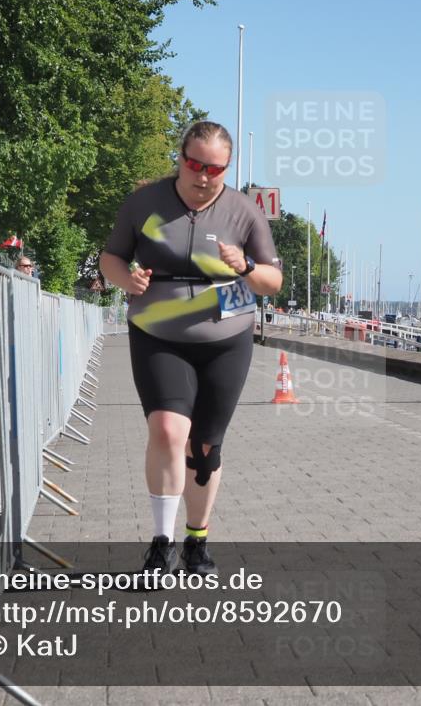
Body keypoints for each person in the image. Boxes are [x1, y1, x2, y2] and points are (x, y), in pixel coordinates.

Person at [100, 121, 282, 580]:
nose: (203, 176)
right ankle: (161, 545)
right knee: (165, 430)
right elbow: (111, 257)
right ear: (179, 157)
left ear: (228, 168)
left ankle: (196, 541)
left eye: (215, 168)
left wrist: (246, 265)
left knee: (204, 445)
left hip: (226, 337)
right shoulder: (147, 203)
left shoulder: (243, 212)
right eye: (194, 163)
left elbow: (272, 281)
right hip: (157, 331)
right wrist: (126, 279)